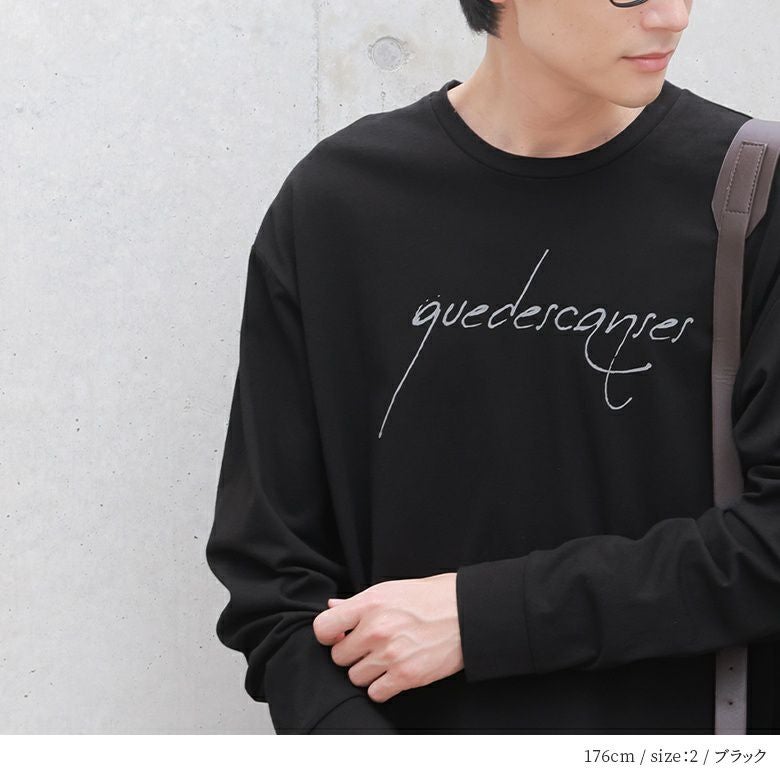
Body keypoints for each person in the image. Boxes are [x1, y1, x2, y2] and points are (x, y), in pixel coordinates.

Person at [205, 0, 780, 734]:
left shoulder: (752, 194)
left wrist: (481, 619)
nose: (674, 16)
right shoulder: (341, 202)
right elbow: (270, 568)